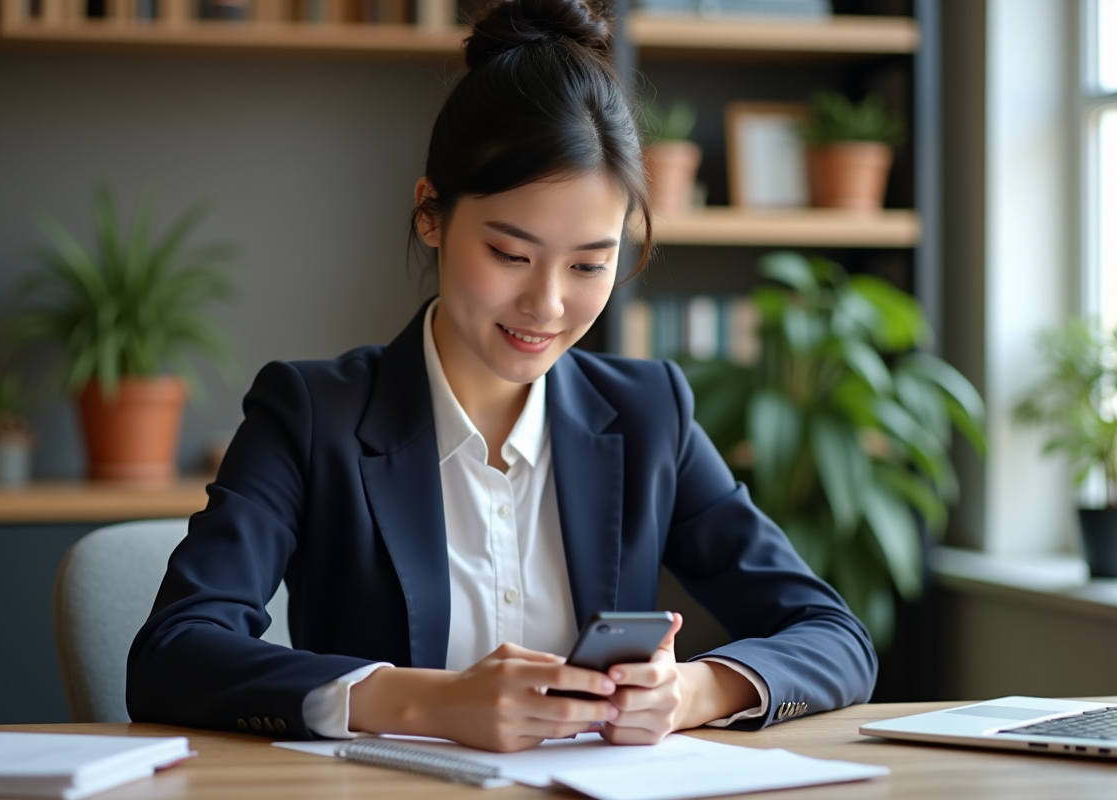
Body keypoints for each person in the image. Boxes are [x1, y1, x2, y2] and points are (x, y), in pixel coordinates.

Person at [126, 0, 877, 753]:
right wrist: (428, 703)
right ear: (431, 215)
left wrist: (690, 692)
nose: (547, 304)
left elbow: (833, 636)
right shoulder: (312, 413)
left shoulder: (650, 414)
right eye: (511, 255)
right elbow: (174, 654)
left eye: (590, 263)